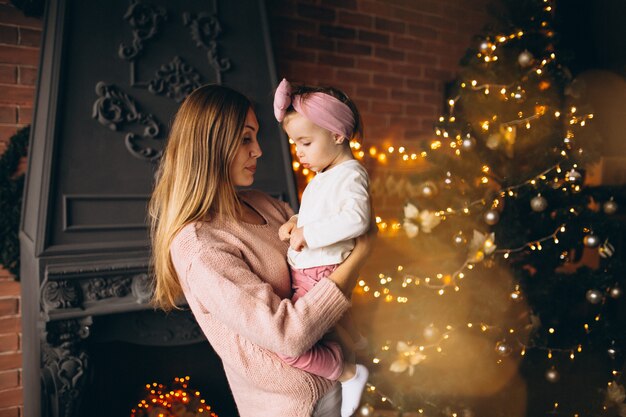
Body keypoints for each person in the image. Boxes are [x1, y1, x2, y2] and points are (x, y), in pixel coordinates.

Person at [149, 84, 374, 417]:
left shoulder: (264, 205)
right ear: (210, 146)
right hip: (294, 407)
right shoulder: (199, 245)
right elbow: (286, 336)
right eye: (245, 139)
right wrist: (362, 254)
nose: (258, 151)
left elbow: (326, 254)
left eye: (254, 137)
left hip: (339, 388)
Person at [273, 78, 370, 417]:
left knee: (288, 346)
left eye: (305, 142)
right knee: (319, 332)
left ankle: (349, 373)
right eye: (294, 143)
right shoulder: (325, 176)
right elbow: (324, 213)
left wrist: (309, 234)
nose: (298, 152)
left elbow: (356, 219)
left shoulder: (351, 174)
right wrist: (297, 220)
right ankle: (350, 348)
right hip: (308, 270)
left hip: (320, 271)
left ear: (337, 135)